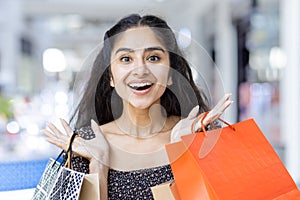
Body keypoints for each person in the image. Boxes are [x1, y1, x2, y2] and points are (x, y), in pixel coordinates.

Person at [43, 14, 232, 200]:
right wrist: (98, 165)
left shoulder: (201, 135)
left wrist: (181, 152)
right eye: (126, 59)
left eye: (153, 58)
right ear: (110, 76)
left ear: (170, 74)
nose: (140, 70)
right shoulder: (86, 145)